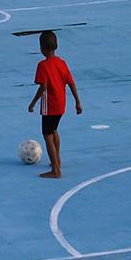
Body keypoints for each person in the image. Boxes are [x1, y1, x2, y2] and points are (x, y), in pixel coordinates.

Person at [26, 29, 81, 180]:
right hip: (61, 104)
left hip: (49, 106)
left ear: (41, 48)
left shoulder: (43, 66)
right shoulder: (62, 63)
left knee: (47, 135)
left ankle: (56, 170)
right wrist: (77, 102)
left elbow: (43, 87)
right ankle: (58, 160)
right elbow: (71, 83)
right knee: (54, 130)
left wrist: (33, 103)